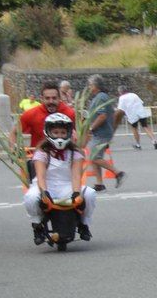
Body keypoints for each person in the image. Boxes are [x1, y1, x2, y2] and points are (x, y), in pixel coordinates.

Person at [26, 112, 95, 244]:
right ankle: (37, 226)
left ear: (68, 133)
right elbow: (40, 175)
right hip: (45, 184)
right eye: (56, 132)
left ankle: (83, 224)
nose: (59, 136)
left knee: (90, 194)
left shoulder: (75, 153)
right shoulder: (42, 152)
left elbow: (76, 175)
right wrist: (44, 192)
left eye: (63, 133)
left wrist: (76, 193)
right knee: (31, 198)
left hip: (67, 185)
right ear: (48, 132)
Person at [82, 75, 125, 191]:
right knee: (95, 156)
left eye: (90, 85)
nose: (89, 88)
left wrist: (91, 128)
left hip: (102, 132)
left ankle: (118, 172)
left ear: (96, 86)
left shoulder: (101, 97)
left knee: (94, 156)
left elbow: (102, 116)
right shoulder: (99, 97)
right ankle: (99, 183)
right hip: (100, 132)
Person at [18, 84, 74, 150]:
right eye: (47, 98)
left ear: (59, 98)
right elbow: (14, 133)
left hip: (64, 156)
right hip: (38, 155)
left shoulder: (70, 113)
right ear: (42, 99)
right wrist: (15, 151)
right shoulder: (30, 114)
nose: (51, 101)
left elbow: (84, 134)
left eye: (54, 98)